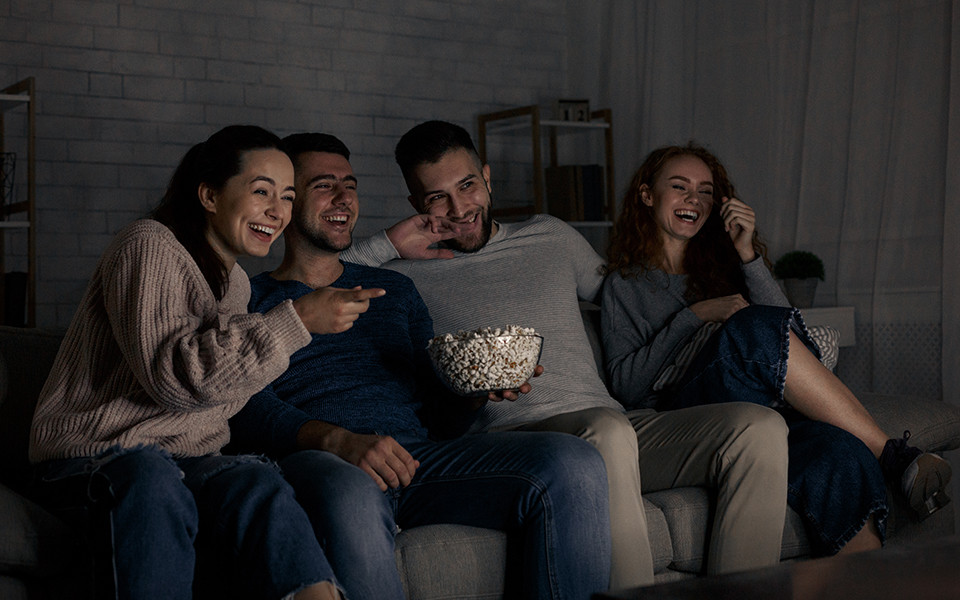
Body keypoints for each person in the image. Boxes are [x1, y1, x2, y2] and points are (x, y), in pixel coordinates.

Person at [342, 120, 791, 585]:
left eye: (468, 185)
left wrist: (745, 263)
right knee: (608, 430)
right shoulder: (405, 275)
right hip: (517, 439)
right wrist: (391, 244)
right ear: (416, 205)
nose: (459, 209)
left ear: (488, 178)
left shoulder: (551, 235)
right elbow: (312, 278)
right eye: (437, 197)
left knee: (758, 428)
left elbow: (639, 298)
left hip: (614, 420)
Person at [228, 132, 612, 600]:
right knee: (349, 495)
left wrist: (472, 389)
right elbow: (239, 404)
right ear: (286, 203)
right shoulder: (249, 298)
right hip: (325, 461)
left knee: (573, 462)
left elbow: (439, 416)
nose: (344, 197)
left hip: (418, 459)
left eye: (350, 184)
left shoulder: (396, 291)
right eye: (324, 185)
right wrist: (337, 440)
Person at [28, 125, 372, 600]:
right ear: (210, 195)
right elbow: (173, 378)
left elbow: (221, 393)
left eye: (288, 197)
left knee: (256, 481)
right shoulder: (148, 244)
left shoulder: (236, 285)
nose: (277, 211)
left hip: (181, 462)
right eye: (261, 192)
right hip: (96, 460)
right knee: (150, 477)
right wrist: (297, 321)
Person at [600, 142, 952, 555]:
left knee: (841, 452)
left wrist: (747, 253)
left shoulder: (724, 268)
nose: (694, 199)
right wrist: (696, 315)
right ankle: (894, 456)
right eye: (679, 187)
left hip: (761, 410)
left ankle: (864, 584)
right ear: (647, 196)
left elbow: (791, 339)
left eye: (706, 191)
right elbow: (626, 385)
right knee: (748, 324)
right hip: (688, 410)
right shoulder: (624, 285)